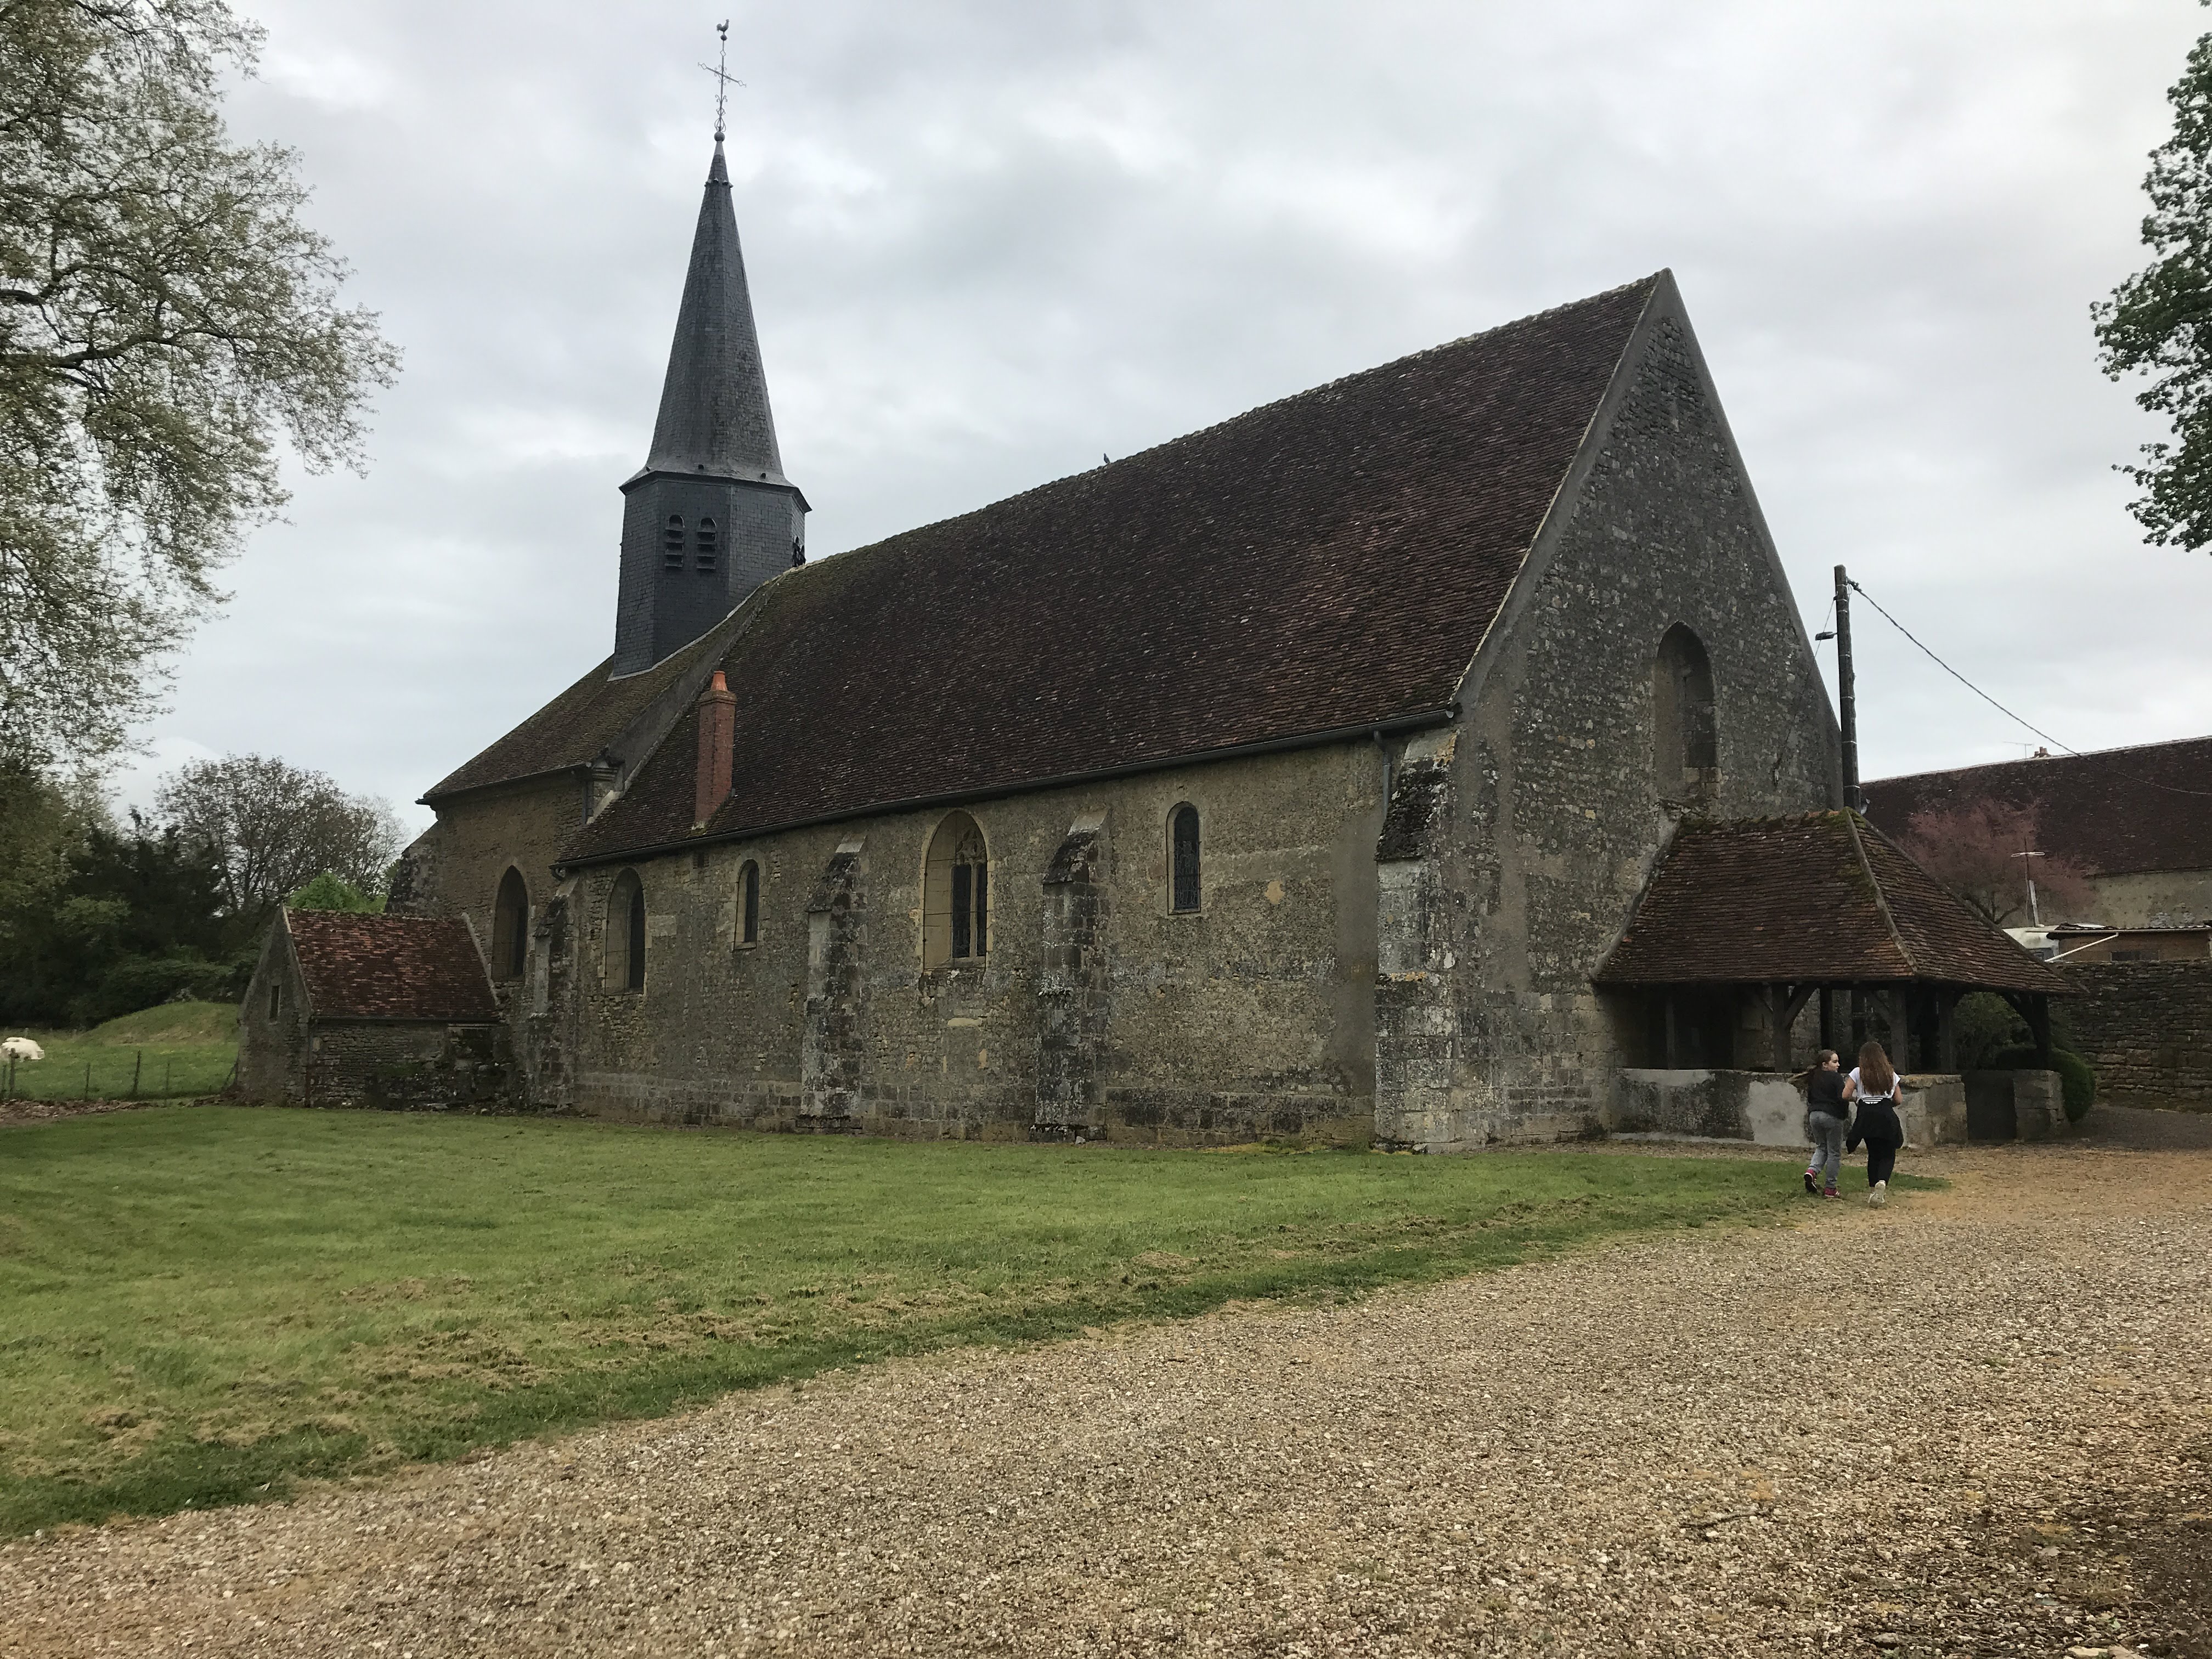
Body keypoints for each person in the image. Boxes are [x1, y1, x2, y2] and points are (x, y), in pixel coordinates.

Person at [1843, 1040, 1905, 1208]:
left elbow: (1845, 1094)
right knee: (1888, 1153)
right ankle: (1882, 1182)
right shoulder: (1890, 1073)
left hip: (1866, 1116)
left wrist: (1857, 1099)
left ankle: (1872, 1190)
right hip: (1886, 1114)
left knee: (1874, 1153)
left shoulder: (1858, 1072)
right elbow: (1899, 1099)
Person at [1802, 1049, 1847, 1198]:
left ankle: (1812, 1171)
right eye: (1835, 1062)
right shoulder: (1836, 1078)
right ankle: (1830, 1188)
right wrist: (1844, 1114)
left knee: (1821, 1147)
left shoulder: (1814, 1077)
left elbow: (1810, 1098)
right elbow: (1842, 1098)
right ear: (1825, 1065)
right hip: (1832, 1116)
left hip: (1814, 1115)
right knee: (1834, 1152)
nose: (1838, 1065)